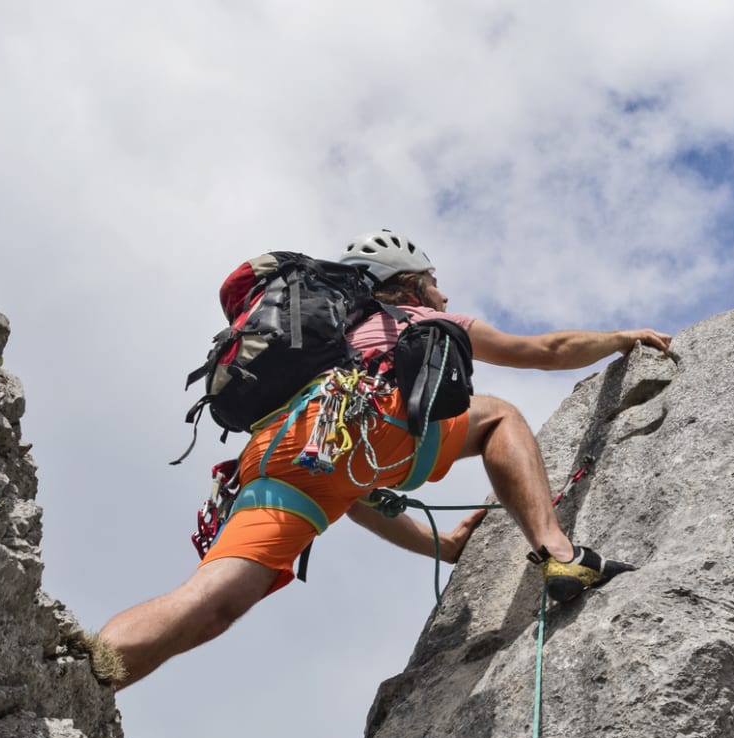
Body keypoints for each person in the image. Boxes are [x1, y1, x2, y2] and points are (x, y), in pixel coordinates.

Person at [93, 230, 673, 689]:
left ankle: (86, 670)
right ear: (411, 285)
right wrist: (620, 339)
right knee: (498, 415)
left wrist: (440, 545)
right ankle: (561, 554)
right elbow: (545, 351)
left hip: (281, 451)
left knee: (210, 601)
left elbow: (347, 489)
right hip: (364, 420)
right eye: (435, 283)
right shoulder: (416, 319)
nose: (444, 295)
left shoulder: (333, 341)